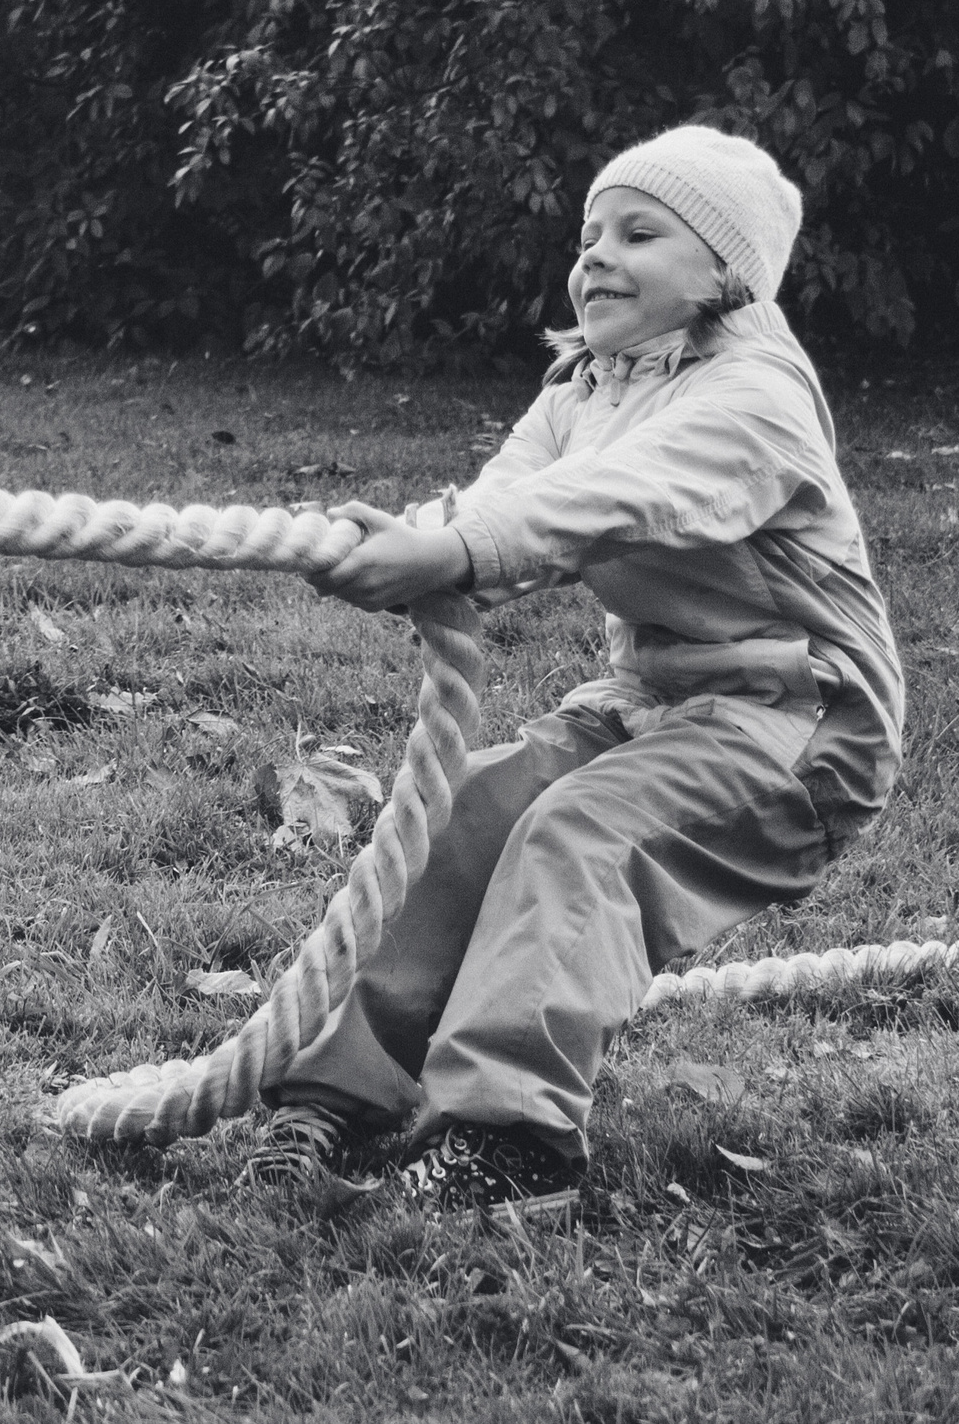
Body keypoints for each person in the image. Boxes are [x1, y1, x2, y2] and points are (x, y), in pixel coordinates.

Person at [248, 125, 903, 1210]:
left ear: (726, 273)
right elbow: (506, 503)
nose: (596, 254)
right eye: (590, 234)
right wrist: (418, 544)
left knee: (577, 834)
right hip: (655, 699)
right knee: (468, 810)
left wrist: (454, 552)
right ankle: (339, 1092)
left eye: (638, 234)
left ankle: (510, 1141)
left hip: (802, 723)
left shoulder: (756, 397)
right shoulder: (584, 391)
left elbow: (614, 498)